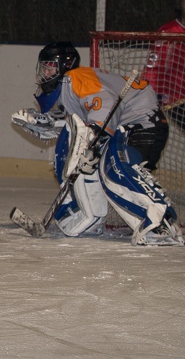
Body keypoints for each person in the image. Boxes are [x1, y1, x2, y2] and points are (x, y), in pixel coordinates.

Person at [11, 42, 181, 246]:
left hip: (142, 123)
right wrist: (45, 122)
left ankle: (161, 221)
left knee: (116, 168)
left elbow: (106, 104)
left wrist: (94, 137)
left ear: (65, 64)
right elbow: (76, 122)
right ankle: (92, 217)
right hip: (128, 125)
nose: (46, 72)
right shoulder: (67, 88)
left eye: (50, 66)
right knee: (107, 171)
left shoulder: (75, 77)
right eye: (44, 67)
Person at [146, 0, 185, 129]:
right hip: (177, 99)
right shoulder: (169, 31)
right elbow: (153, 68)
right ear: (179, 2)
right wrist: (153, 93)